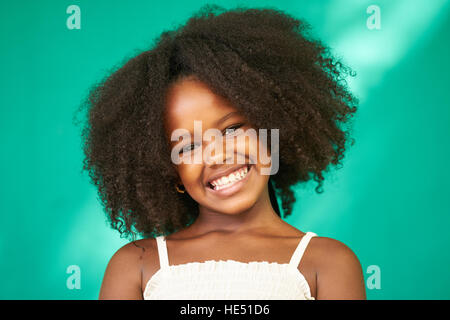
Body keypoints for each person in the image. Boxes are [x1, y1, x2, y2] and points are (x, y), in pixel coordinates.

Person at [78, 4, 366, 299]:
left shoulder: (328, 264)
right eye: (188, 147)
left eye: (231, 130)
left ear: (272, 126)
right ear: (168, 169)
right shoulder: (136, 266)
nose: (216, 156)